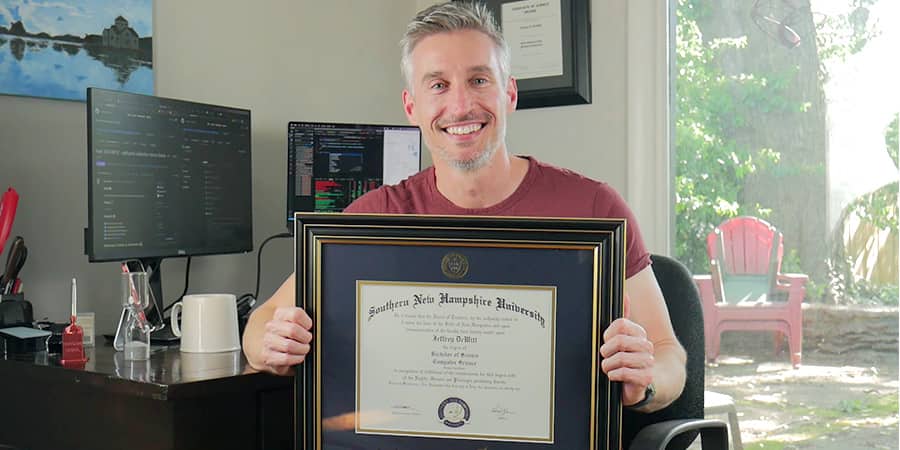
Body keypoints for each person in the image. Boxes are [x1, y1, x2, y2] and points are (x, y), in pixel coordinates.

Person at [243, 1, 686, 413]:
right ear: (411, 106)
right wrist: (272, 343)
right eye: (438, 85)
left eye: (479, 80)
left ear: (509, 93)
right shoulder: (370, 219)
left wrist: (645, 382)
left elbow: (669, 355)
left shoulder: (593, 207)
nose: (460, 105)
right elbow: (259, 324)